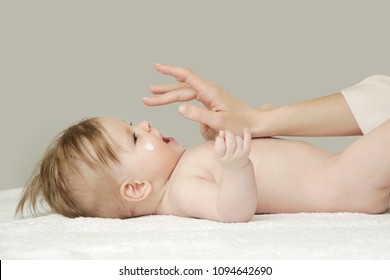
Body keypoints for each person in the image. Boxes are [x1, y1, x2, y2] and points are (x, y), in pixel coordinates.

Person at [16, 65, 390, 222]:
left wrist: (220, 143)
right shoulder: (179, 192)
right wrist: (235, 168)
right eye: (133, 136)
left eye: (133, 124)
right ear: (135, 189)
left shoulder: (185, 167)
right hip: (339, 183)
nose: (144, 124)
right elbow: (231, 211)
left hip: (339, 172)